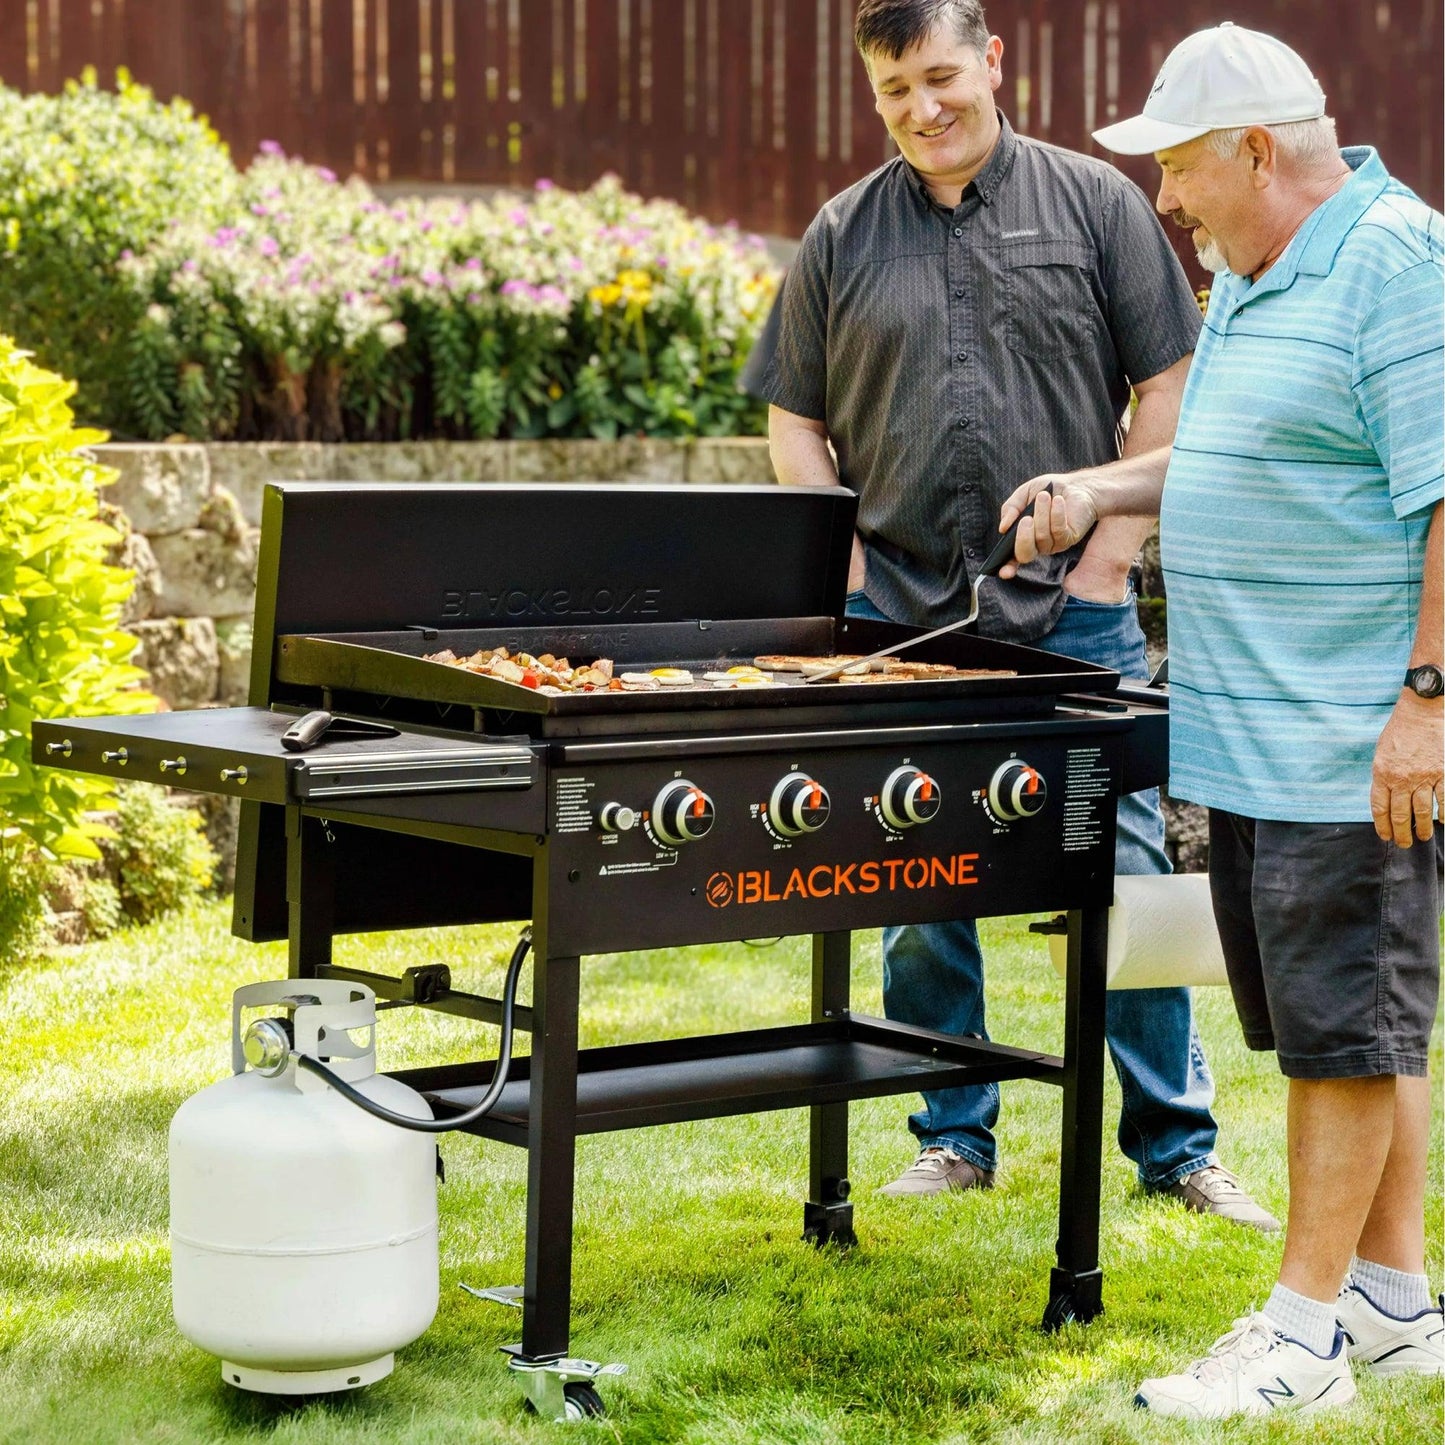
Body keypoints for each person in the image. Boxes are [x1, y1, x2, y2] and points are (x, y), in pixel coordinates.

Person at [759, 0, 1273, 1227]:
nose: (921, 109)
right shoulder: (840, 232)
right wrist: (836, 582)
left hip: (1074, 617)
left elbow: (1170, 384)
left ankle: (1175, 1145)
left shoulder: (1095, 206)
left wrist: (1110, 557)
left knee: (1126, 867)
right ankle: (951, 1132)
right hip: (901, 622)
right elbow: (793, 415)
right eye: (892, 90)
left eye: (939, 77)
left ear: (991, 62)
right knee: (913, 866)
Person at [1001, 21, 1444, 1418]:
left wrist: (1426, 704)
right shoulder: (1255, 272)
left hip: (1346, 736)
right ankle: (1389, 1306)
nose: (1165, 201)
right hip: (1254, 732)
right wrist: (1098, 488)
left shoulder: (1395, 263)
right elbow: (1239, 447)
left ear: (1257, 149)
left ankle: (1299, 1333)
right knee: (1360, 1031)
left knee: (1342, 1036)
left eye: (1181, 170)